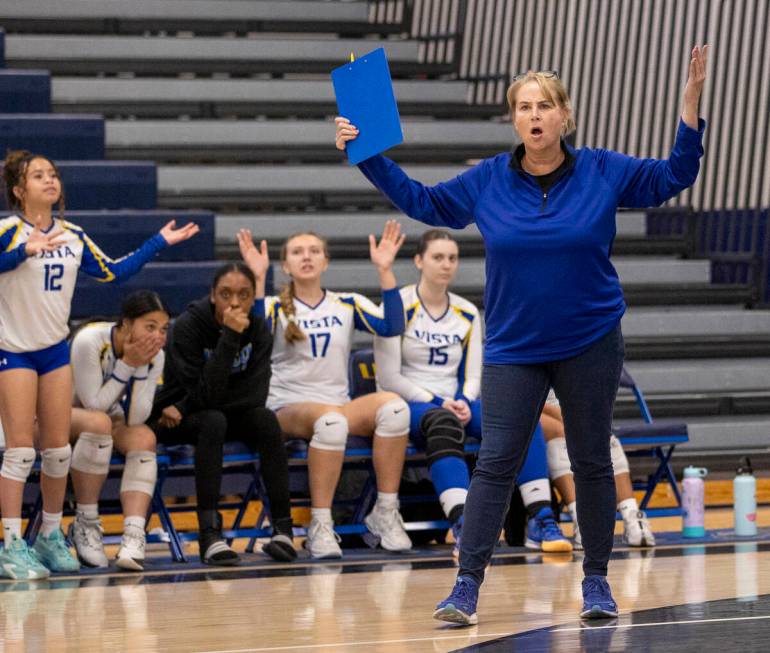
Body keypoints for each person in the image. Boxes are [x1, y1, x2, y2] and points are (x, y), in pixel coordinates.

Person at [335, 45, 708, 623]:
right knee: (496, 463)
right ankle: (465, 587)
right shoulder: (487, 180)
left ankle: (597, 583)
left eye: (545, 106)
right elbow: (423, 200)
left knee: (589, 458)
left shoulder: (603, 170)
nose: (534, 116)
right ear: (514, 119)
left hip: (590, 339)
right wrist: (366, 152)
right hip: (514, 347)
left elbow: (674, 175)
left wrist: (689, 108)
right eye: (524, 107)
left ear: (565, 116)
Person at [0, 150, 198, 580]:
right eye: (38, 176)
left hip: (53, 350)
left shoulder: (73, 235)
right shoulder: (6, 231)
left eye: (53, 174)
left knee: (57, 451)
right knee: (19, 451)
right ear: (19, 190)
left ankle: (50, 536)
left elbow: (112, 272)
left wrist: (158, 242)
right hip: (12, 350)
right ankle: (10, 544)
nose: (50, 181)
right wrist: (21, 253)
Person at [373, 229, 571, 555]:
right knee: (444, 422)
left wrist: (465, 399)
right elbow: (389, 376)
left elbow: (473, 372)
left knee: (522, 419)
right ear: (419, 261)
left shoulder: (465, 311)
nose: (446, 264)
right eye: (438, 257)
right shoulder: (398, 305)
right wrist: (439, 402)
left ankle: (541, 519)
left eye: (452, 258)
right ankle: (465, 526)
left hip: (457, 401)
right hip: (411, 405)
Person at [238, 221, 412, 559]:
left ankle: (385, 513)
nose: (307, 257)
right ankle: (320, 525)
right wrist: (257, 280)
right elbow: (254, 338)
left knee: (395, 409)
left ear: (326, 262)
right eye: (297, 252)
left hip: (336, 406)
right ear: (285, 265)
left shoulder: (346, 303)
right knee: (331, 422)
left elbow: (393, 326)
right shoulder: (274, 306)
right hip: (287, 406)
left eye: (314, 251)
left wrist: (385, 270)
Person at [151, 262, 297, 566]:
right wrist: (230, 336)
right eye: (226, 294)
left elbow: (255, 395)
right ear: (212, 296)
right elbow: (202, 393)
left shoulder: (258, 329)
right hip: (175, 419)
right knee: (212, 421)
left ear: (253, 298)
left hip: (193, 409)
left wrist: (201, 401)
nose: (234, 302)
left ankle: (283, 530)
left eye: (244, 295)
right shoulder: (188, 327)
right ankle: (210, 535)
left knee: (266, 419)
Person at [69, 290, 170, 571]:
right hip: (55, 416)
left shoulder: (155, 356)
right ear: (126, 325)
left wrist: (137, 367)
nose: (157, 337)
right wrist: (128, 364)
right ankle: (86, 522)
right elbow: (93, 405)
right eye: (149, 327)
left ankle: (133, 536)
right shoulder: (90, 339)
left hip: (101, 420)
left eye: (163, 329)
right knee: (99, 423)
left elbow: (137, 417)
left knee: (144, 437)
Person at [541, 390, 656, 549]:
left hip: (567, 411)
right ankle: (581, 520)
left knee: (604, 437)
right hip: (529, 410)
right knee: (561, 436)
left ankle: (634, 519)